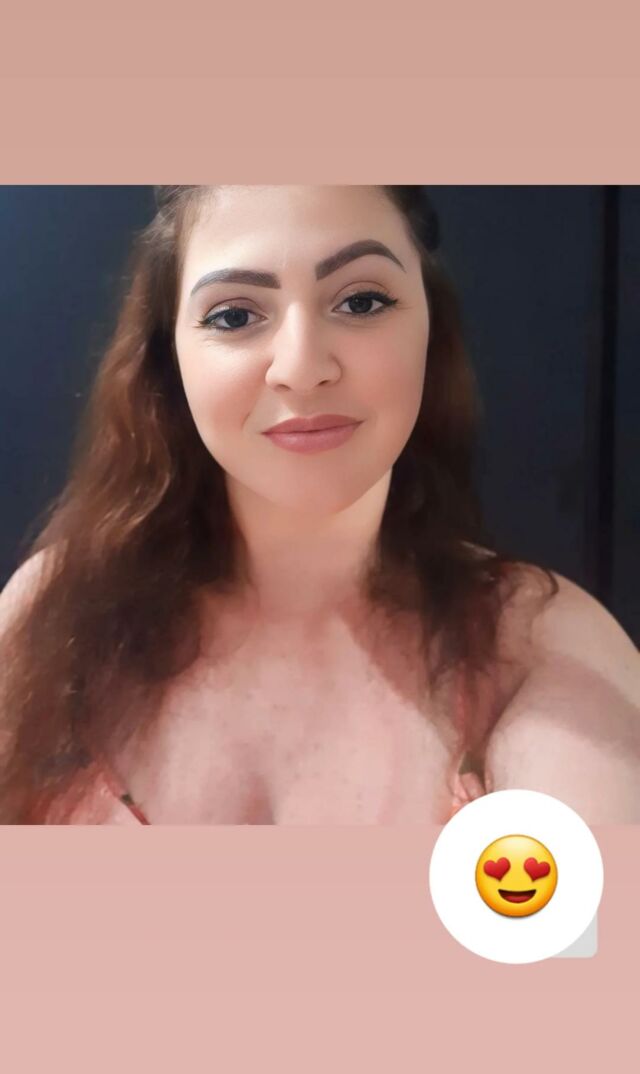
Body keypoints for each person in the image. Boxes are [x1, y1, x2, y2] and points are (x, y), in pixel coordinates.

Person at [1, 184, 638, 825]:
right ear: (170, 359)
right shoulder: (51, 619)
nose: (302, 368)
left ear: (430, 328)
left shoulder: (543, 649)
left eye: (361, 302)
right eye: (234, 316)